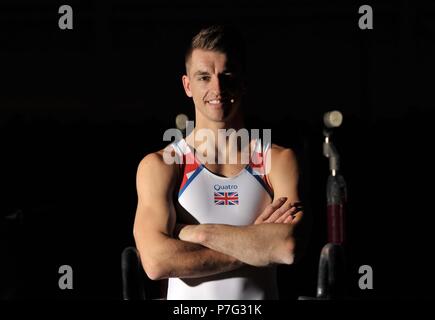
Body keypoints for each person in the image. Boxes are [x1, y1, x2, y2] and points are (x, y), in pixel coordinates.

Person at [133, 25, 309, 300]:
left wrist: (196, 233)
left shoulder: (277, 159)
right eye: (204, 77)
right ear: (187, 86)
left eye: (227, 75)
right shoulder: (163, 165)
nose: (217, 88)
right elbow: (156, 262)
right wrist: (257, 243)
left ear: (243, 81)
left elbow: (287, 246)